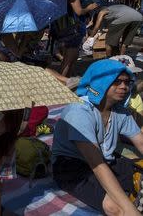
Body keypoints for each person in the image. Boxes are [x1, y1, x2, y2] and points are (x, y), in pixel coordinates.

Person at [52, 59, 143, 215]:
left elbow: (141, 142)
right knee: (115, 206)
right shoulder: (79, 111)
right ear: (100, 81)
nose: (124, 86)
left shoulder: (120, 111)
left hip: (106, 161)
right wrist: (129, 210)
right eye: (117, 81)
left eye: (127, 82)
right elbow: (96, 163)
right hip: (72, 167)